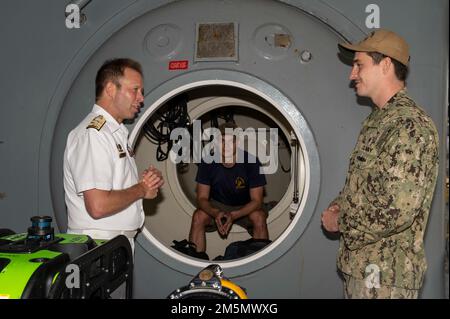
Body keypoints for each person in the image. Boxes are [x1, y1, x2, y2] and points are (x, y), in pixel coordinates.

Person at [321, 29, 439, 299]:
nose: (352, 74)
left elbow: (397, 209)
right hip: (364, 271)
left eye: (358, 65)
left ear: (385, 64)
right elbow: (366, 186)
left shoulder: (409, 125)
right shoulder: (378, 121)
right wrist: (339, 203)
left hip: (385, 278)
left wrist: (341, 220)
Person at [63, 58, 164, 252]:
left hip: (112, 245)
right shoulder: (93, 134)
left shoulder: (113, 132)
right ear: (110, 89)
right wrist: (142, 189)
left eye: (141, 92)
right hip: (96, 245)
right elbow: (98, 205)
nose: (141, 98)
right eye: (135, 90)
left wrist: (146, 184)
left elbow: (116, 187)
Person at [187, 122, 269, 259]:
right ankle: (195, 262)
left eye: (231, 141)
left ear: (238, 143)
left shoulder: (252, 162)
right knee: (198, 216)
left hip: (245, 205)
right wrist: (215, 212)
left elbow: (257, 201)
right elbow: (201, 198)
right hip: (217, 203)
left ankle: (260, 262)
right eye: (222, 141)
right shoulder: (207, 162)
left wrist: (234, 215)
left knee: (259, 217)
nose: (227, 146)